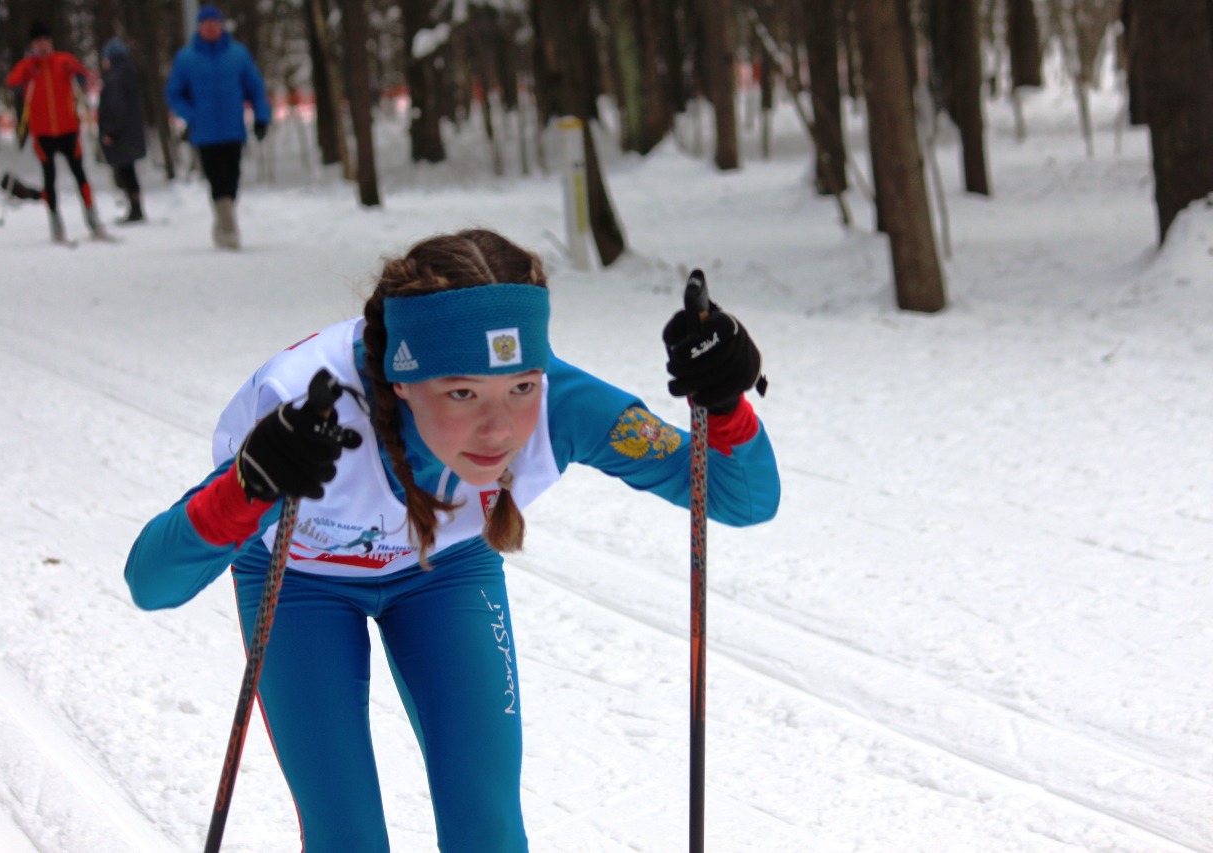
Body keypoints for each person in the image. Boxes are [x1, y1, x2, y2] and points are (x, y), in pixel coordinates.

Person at [124, 229, 780, 852]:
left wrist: (724, 404)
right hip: (301, 584)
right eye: (462, 391)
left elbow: (738, 496)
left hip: (445, 572)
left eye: (520, 385)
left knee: (487, 831)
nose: (499, 427)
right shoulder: (312, 412)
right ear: (402, 381)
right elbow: (152, 581)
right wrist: (250, 483)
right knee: (347, 836)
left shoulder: (560, 405)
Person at [165, 4, 271, 250]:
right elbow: (174, 93)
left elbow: (255, 88)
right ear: (200, 27)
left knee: (232, 179)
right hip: (205, 132)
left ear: (221, 26)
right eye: (206, 24)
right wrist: (190, 116)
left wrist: (261, 117)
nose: (211, 28)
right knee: (216, 180)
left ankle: (223, 224)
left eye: (215, 23)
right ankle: (229, 230)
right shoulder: (187, 57)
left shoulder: (238, 54)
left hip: (233, 129)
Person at [5, 21, 109, 243]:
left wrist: (79, 76)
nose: (42, 45)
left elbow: (85, 78)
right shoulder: (27, 66)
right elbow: (12, 83)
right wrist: (25, 77)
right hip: (42, 132)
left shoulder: (63, 60)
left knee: (79, 174)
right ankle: (56, 224)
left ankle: (93, 219)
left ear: (50, 41)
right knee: (49, 178)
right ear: (32, 44)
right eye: (37, 41)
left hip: (68, 129)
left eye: (45, 40)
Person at [98, 38, 147, 224]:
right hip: (130, 131)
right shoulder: (129, 73)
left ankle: (135, 209)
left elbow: (116, 106)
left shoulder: (116, 78)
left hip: (121, 135)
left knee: (126, 172)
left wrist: (110, 131)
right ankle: (136, 208)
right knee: (129, 171)